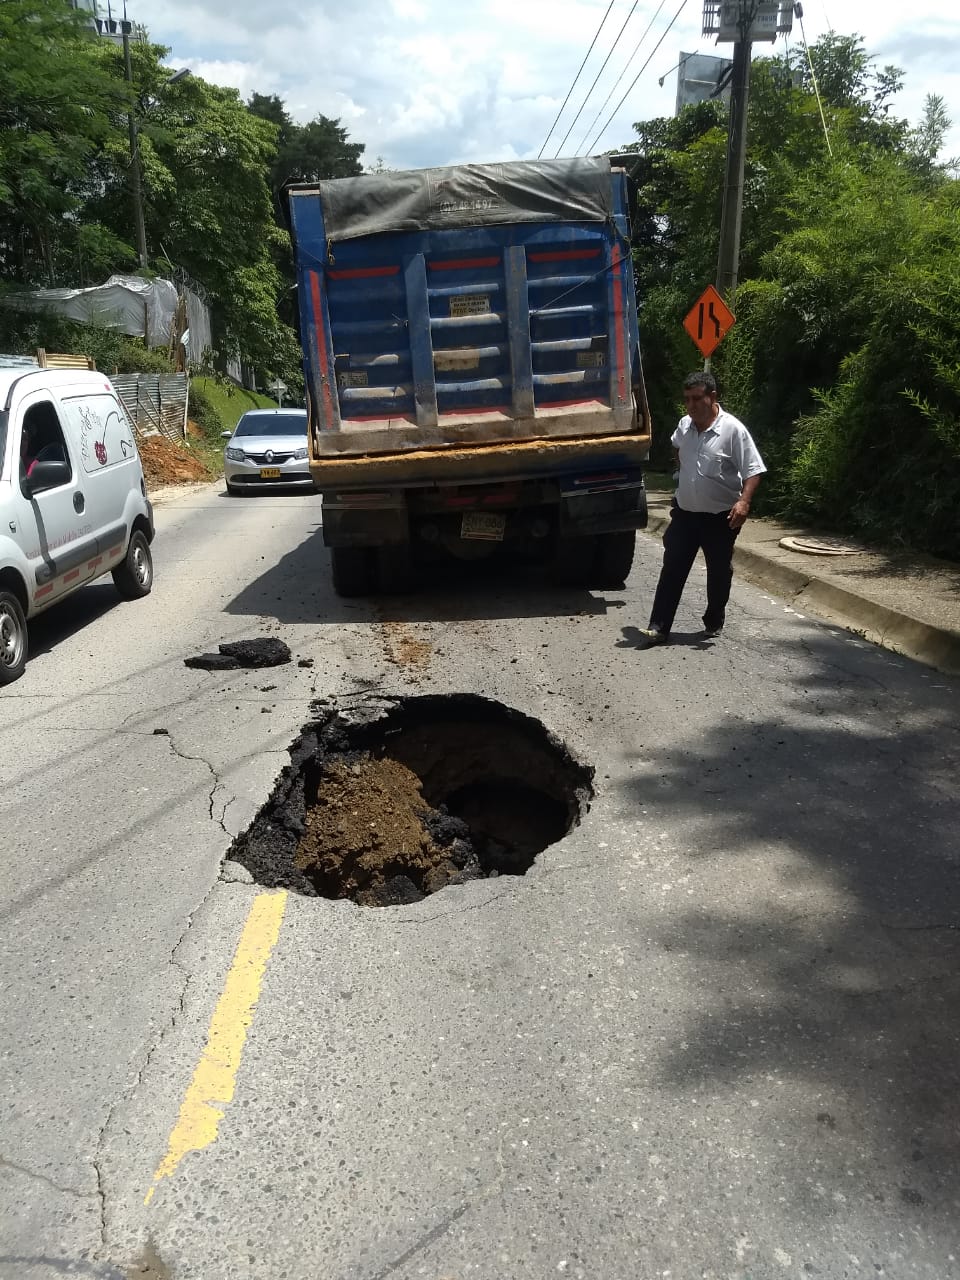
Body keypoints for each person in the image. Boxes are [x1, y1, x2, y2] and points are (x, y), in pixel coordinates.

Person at [638, 371, 765, 647]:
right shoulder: (684, 425)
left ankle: (714, 618)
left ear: (712, 397)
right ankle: (658, 626)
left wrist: (744, 501)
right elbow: (677, 448)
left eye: (697, 398)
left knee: (718, 571)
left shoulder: (733, 430)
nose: (691, 405)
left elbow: (753, 470)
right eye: (687, 399)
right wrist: (684, 475)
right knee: (672, 568)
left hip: (720, 519)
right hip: (685, 515)